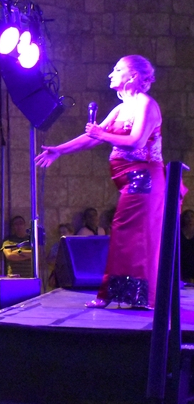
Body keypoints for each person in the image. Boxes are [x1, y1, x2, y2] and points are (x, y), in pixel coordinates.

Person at [36, 55, 165, 308]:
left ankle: (133, 296)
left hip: (145, 180)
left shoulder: (146, 104)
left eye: (117, 69)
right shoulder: (121, 109)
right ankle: (124, 295)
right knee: (125, 235)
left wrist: (102, 133)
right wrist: (59, 150)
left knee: (133, 235)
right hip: (131, 181)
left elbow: (137, 141)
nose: (110, 74)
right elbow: (92, 139)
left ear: (133, 76)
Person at [181, 210, 194, 284]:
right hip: (183, 263)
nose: (190, 219)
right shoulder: (179, 233)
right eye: (187, 217)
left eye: (192, 217)